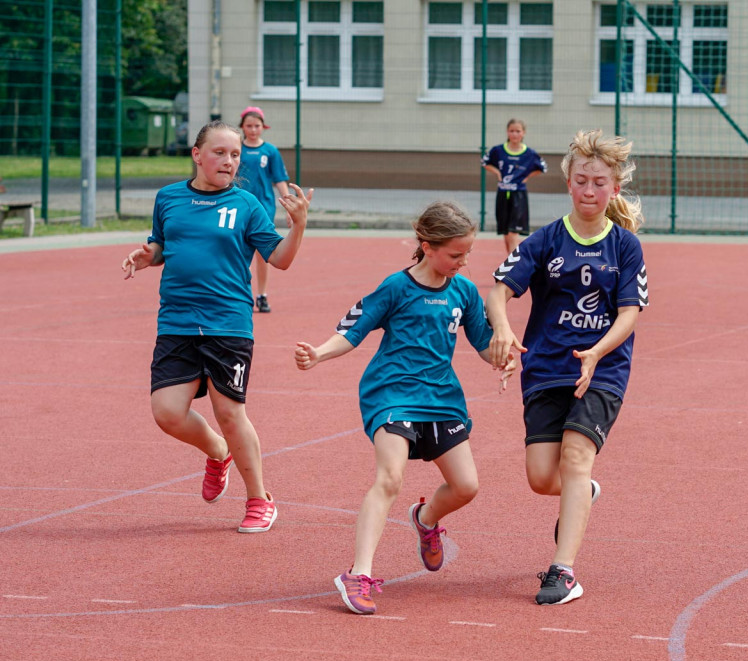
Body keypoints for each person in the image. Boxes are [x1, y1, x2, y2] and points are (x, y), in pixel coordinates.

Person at [294, 201, 514, 615]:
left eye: (467, 254)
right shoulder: (396, 287)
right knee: (389, 478)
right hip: (392, 395)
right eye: (455, 254)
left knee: (467, 487)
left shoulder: (464, 291)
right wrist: (319, 354)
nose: (462, 262)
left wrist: (504, 357)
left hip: (442, 399)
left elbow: (485, 346)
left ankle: (425, 519)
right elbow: (353, 330)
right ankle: (357, 574)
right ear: (427, 246)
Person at [121, 120, 313, 533]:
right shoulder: (169, 197)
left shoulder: (247, 205)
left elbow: (279, 259)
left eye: (235, 155)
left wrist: (297, 225)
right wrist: (147, 256)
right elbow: (160, 243)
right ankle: (216, 451)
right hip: (176, 321)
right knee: (167, 413)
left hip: (228, 324)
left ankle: (260, 499)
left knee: (229, 411)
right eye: (220, 153)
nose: (229, 161)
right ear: (197, 154)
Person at [485, 130, 649, 606]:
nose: (591, 191)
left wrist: (597, 352)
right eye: (582, 181)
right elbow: (498, 292)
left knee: (576, 456)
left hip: (603, 371)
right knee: (542, 478)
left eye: (600, 182)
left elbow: (629, 313)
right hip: (546, 369)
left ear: (614, 188)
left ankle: (563, 571)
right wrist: (500, 328)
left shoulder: (625, 247)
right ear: (569, 185)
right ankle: (585, 491)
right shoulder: (544, 241)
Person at [237, 106, 290, 313]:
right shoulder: (236, 149)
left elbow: (279, 180)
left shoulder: (270, 151)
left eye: (256, 126)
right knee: (237, 250)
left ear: (263, 127)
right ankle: (242, 294)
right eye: (249, 126)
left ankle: (262, 295)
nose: (252, 129)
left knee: (262, 253)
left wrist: (289, 206)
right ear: (242, 127)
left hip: (263, 207)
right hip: (240, 206)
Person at [482, 118, 548, 255]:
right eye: (512, 131)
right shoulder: (498, 150)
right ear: (507, 132)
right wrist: (497, 173)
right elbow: (485, 162)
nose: (514, 134)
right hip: (502, 194)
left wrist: (527, 177)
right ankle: (510, 261)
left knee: (513, 233)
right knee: (506, 233)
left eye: (518, 131)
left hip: (518, 195)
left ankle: (514, 267)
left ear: (523, 133)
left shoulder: (529, 153)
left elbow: (542, 168)